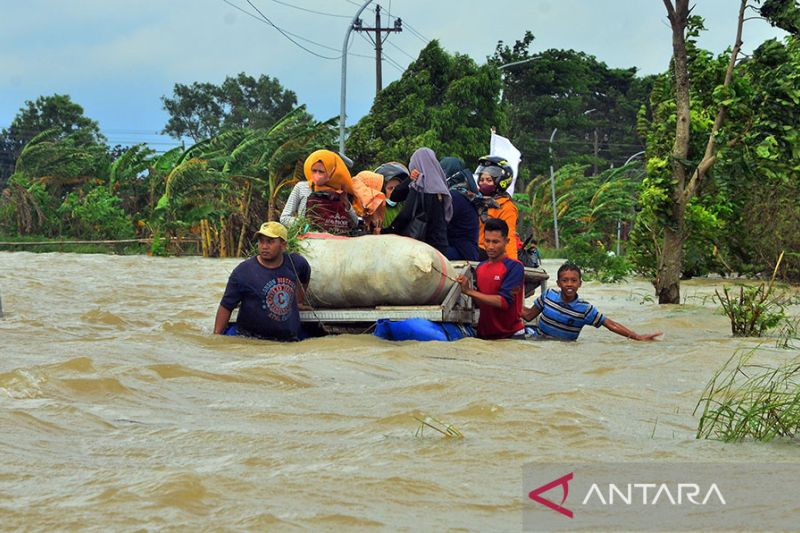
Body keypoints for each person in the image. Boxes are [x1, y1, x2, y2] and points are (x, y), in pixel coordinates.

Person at [213, 221, 311, 341]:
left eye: (270, 242)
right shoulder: (243, 272)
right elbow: (226, 306)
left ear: (283, 245)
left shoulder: (296, 263)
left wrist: (298, 301)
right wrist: (216, 337)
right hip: (252, 339)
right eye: (261, 241)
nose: (264, 246)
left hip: (288, 339)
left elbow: (305, 275)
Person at [521, 263, 663, 341]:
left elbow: (610, 324)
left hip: (566, 348)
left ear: (580, 284)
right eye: (565, 280)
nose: (569, 284)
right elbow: (528, 315)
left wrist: (636, 336)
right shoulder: (548, 296)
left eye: (573, 281)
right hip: (541, 341)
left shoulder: (585, 309)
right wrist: (505, 301)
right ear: (558, 283)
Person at [455, 218, 525, 340]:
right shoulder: (480, 267)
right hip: (485, 335)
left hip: (511, 336)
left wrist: (470, 292)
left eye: (495, 242)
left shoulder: (515, 267)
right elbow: (480, 300)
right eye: (487, 241)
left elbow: (503, 302)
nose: (490, 247)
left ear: (506, 241)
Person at [381, 147, 452, 255]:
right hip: (441, 246)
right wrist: (410, 179)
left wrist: (387, 232)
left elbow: (404, 214)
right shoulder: (442, 189)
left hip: (423, 249)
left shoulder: (420, 188)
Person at [303, 150, 359, 235]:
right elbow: (285, 216)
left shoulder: (340, 191)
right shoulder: (302, 187)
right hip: (308, 243)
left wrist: (345, 202)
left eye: (321, 171)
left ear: (331, 172)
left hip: (335, 244)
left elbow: (355, 223)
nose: (317, 175)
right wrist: (302, 225)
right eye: (314, 171)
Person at [474, 156, 519, 260]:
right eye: (481, 180)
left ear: (501, 183)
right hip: (472, 248)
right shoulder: (475, 200)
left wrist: (513, 264)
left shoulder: (506, 207)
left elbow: (509, 237)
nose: (483, 183)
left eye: (488, 180)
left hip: (488, 252)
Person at [440, 156, 480, 261]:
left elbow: (439, 221)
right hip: (464, 248)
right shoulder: (462, 192)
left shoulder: (455, 196)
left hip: (462, 251)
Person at [374, 162, 409, 228]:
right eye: (390, 188)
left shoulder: (405, 205)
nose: (394, 191)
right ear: (383, 190)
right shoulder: (378, 208)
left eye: (397, 188)